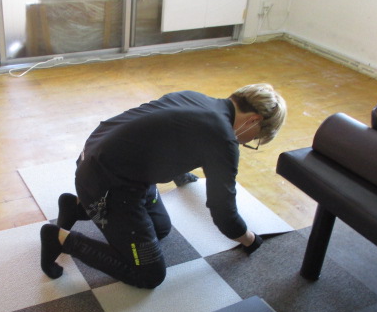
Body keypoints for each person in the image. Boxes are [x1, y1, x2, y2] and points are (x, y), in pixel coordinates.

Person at [40, 84, 287, 289]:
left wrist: (182, 176)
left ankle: (75, 207)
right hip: (108, 185)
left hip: (100, 161)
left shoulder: (195, 98)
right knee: (149, 275)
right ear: (254, 120)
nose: (248, 141)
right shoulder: (223, 139)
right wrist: (250, 239)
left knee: (160, 228)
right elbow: (224, 212)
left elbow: (162, 138)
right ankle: (59, 239)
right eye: (255, 138)